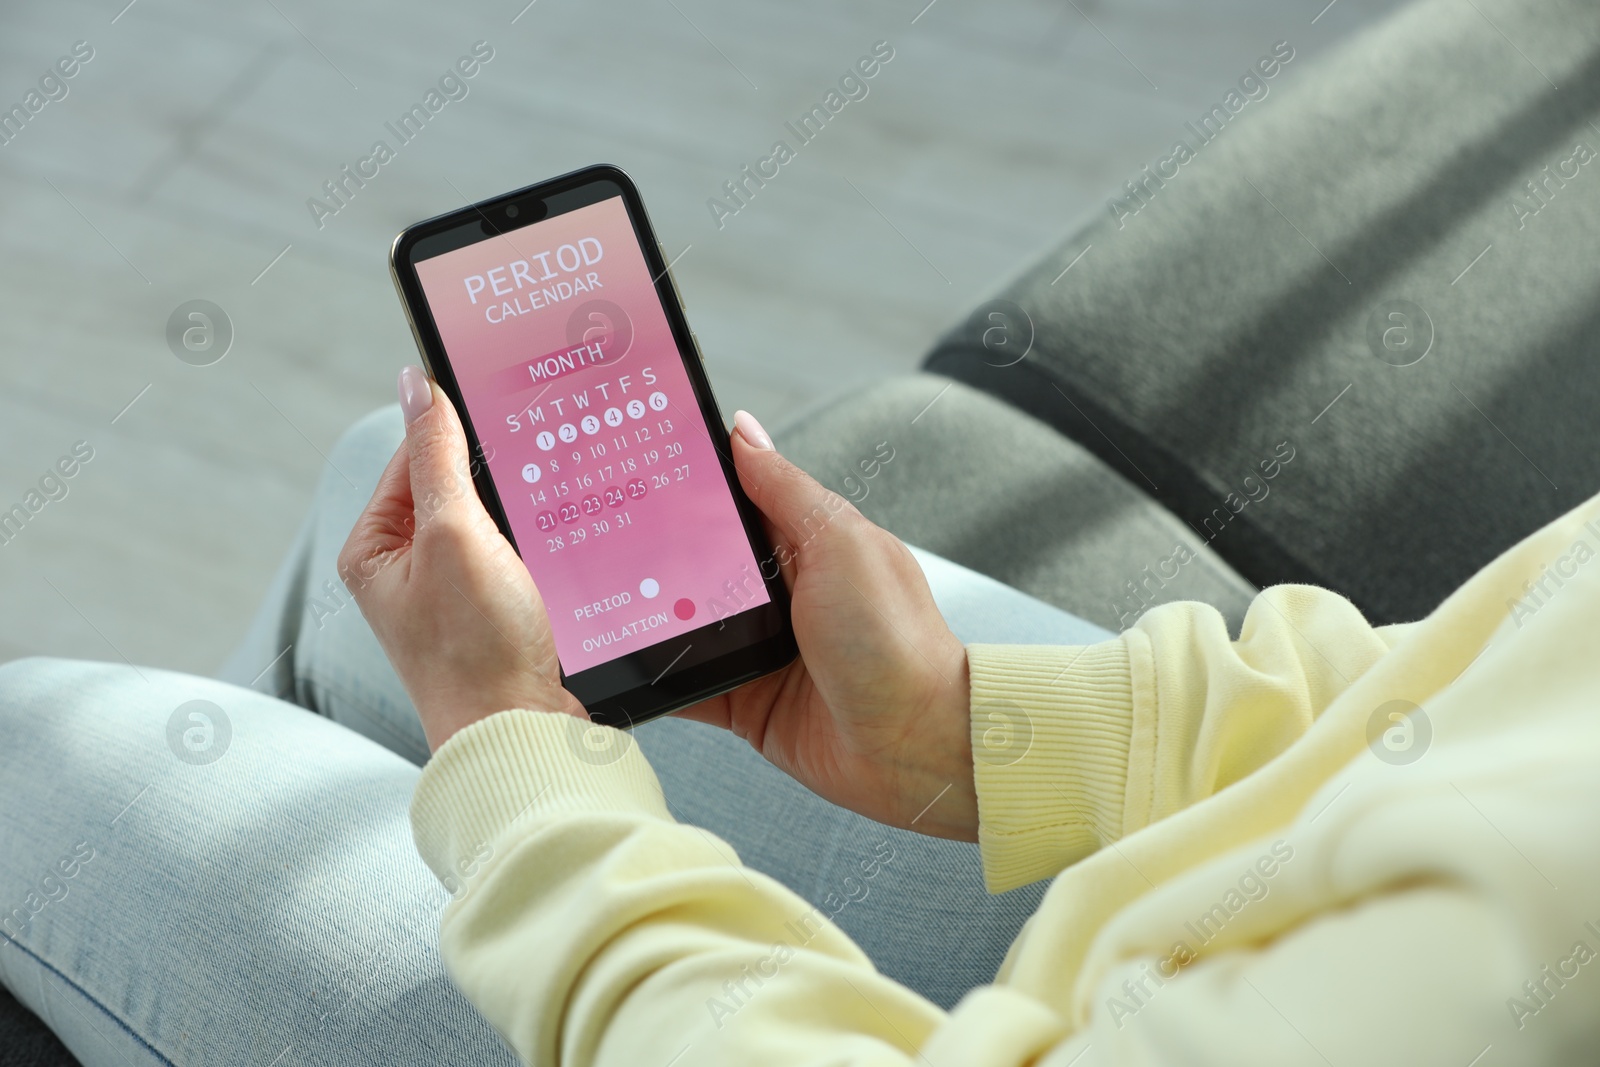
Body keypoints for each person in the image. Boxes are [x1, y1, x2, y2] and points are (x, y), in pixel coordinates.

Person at [3, 366, 1597, 1066]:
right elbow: (1492, 686)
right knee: (400, 486)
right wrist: (977, 726)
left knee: (31, 752)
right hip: (1221, 946)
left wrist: (519, 777)